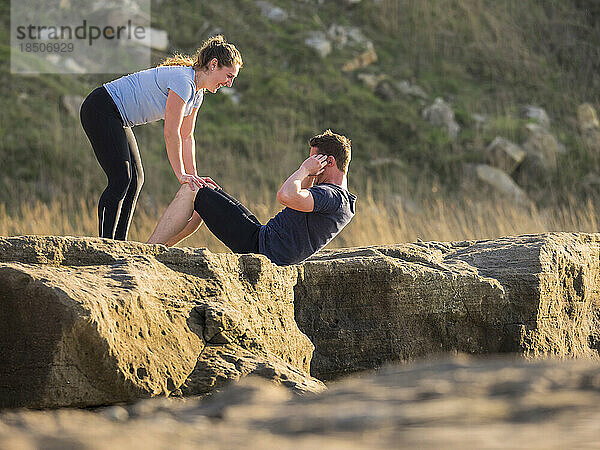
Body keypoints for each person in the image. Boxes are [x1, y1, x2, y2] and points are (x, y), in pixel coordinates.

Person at [80, 35, 242, 240]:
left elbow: (186, 136)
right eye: (228, 76)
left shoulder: (197, 94)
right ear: (213, 64)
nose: (229, 83)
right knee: (122, 178)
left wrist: (193, 177)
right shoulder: (183, 81)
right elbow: (171, 132)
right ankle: (105, 243)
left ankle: (118, 245)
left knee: (136, 179)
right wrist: (181, 173)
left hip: (118, 117)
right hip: (100, 108)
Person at [147, 130, 357, 266]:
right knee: (205, 190)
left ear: (328, 161)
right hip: (261, 237)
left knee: (192, 189)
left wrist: (304, 169)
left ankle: (146, 251)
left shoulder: (330, 195)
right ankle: (159, 250)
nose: (310, 163)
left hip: (259, 248)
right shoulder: (342, 201)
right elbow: (298, 200)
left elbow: (285, 195)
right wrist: (310, 174)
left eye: (314, 159)